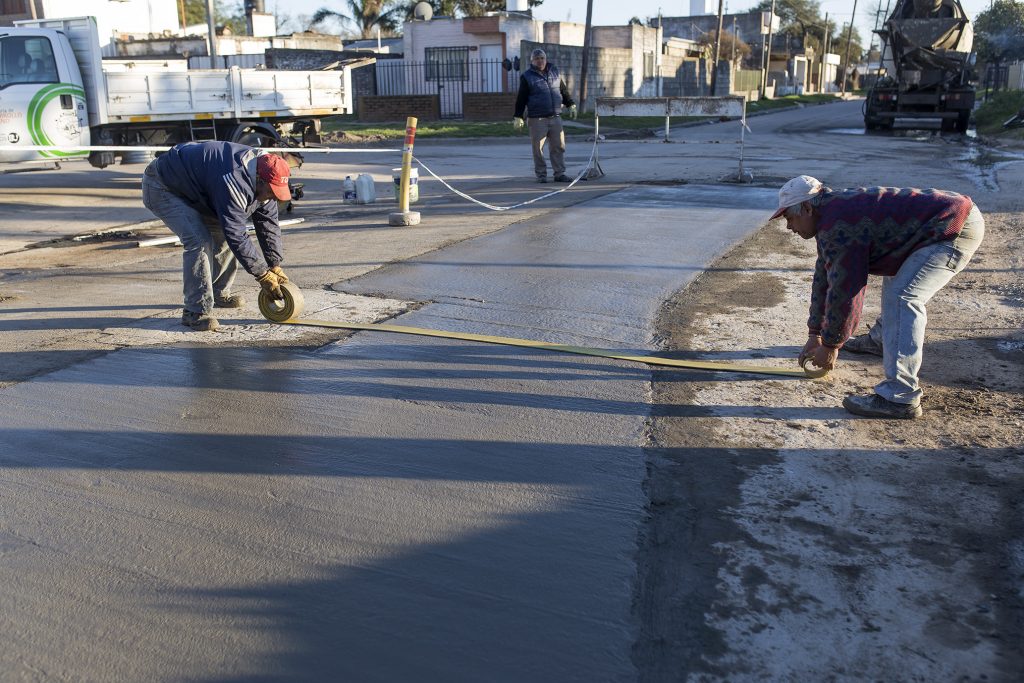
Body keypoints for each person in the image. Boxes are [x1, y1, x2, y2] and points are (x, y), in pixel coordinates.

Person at [773, 175, 984, 419]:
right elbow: (824, 278)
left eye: (789, 217)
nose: (789, 226)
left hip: (952, 225)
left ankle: (900, 396)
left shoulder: (839, 225)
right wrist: (815, 334)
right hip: (938, 221)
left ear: (807, 208)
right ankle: (881, 340)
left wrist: (831, 345)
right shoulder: (830, 216)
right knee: (899, 287)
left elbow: (847, 291)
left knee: (904, 297)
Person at [142, 141, 292, 332]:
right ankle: (195, 312)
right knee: (199, 240)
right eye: (271, 192)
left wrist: (275, 264)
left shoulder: (268, 178)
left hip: (198, 189)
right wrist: (262, 274)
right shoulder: (234, 178)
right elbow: (236, 233)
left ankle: (219, 293)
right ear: (259, 180)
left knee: (222, 233)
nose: (272, 196)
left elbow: (268, 224)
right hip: (163, 186)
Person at [513, 48, 577, 183]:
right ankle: (541, 175)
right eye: (536, 59)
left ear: (545, 59)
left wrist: (570, 103)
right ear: (532, 61)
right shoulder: (527, 76)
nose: (540, 61)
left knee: (558, 147)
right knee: (538, 149)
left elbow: (563, 90)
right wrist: (518, 116)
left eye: (542, 58)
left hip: (555, 117)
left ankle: (559, 174)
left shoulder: (554, 71)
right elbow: (521, 98)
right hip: (537, 119)